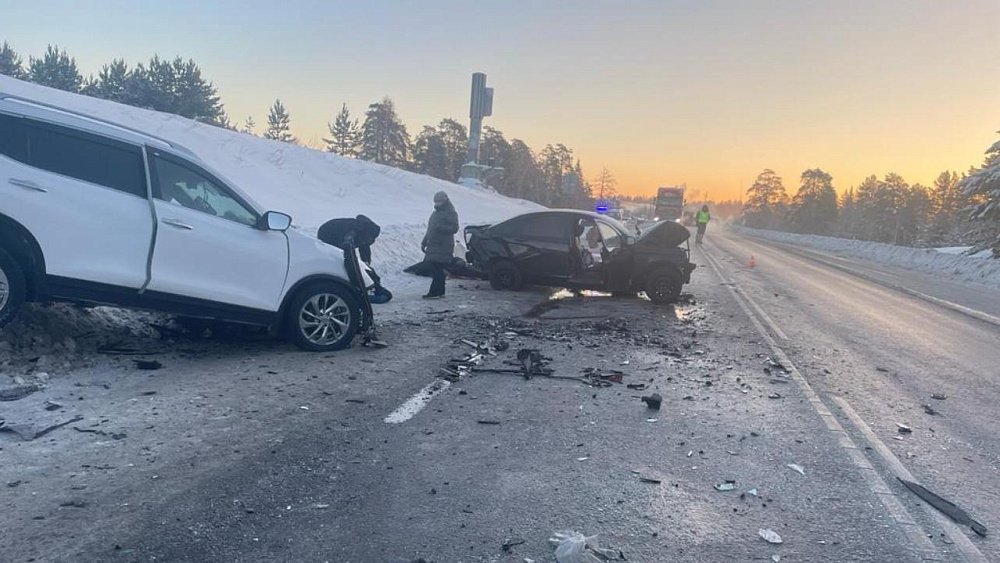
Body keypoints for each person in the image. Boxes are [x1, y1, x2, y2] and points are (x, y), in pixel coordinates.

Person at [317, 214, 390, 302]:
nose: (371, 240)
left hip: (337, 235)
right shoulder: (351, 233)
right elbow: (348, 254)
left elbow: (364, 248)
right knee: (340, 261)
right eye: (370, 238)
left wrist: (366, 264)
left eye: (373, 238)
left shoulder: (366, 232)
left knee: (355, 264)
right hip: (328, 234)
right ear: (366, 234)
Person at [421, 191, 459, 299]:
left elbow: (454, 228)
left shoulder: (451, 213)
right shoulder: (435, 214)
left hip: (443, 245)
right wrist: (424, 241)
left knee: (437, 268)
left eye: (439, 202)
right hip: (433, 245)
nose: (437, 204)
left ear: (445, 201)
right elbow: (430, 229)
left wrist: (441, 228)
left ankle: (434, 291)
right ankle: (440, 291)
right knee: (437, 268)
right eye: (436, 202)